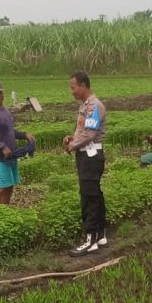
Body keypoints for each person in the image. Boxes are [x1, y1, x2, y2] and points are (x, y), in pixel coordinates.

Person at [62, 71, 107, 256]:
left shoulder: (93, 106)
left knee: (88, 197)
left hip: (90, 156)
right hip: (87, 154)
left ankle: (90, 240)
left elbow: (89, 135)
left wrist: (72, 145)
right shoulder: (86, 106)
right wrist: (73, 138)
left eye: (73, 87)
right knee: (94, 194)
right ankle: (101, 235)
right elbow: (86, 131)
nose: (71, 91)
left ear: (83, 85)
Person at [0, 80, 35, 205]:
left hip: (11, 156)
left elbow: (10, 131)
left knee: (9, 186)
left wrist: (24, 135)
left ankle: (5, 213)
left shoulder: (5, 111)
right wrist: (2, 147)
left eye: (0, 93)